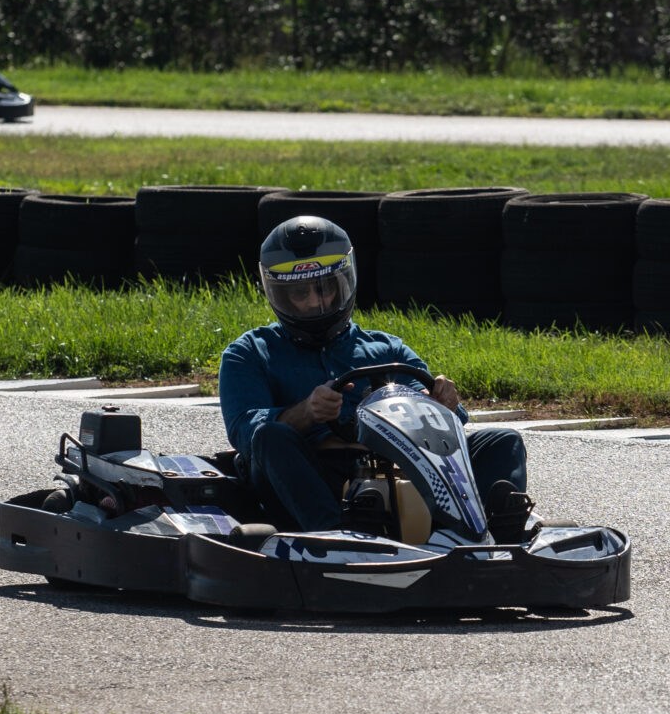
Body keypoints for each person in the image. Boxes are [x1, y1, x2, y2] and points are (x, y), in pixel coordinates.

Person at [218, 214, 534, 540]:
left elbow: (431, 407)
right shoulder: (250, 353)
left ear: (345, 281)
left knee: (502, 440)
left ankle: (490, 533)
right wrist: (306, 413)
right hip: (311, 476)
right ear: (279, 293)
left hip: (396, 467)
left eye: (325, 287)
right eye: (300, 293)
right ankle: (337, 535)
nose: (316, 301)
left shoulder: (385, 348)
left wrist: (442, 401)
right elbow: (246, 431)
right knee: (271, 436)